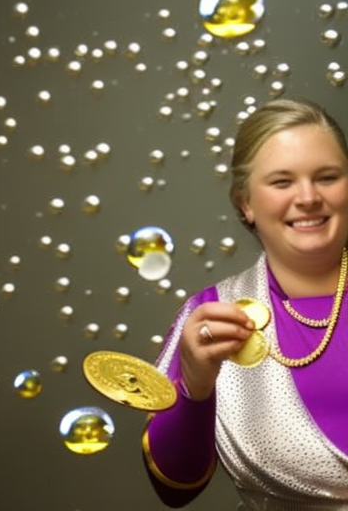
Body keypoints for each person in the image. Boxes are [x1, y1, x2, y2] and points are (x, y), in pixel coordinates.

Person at [142, 98, 348, 510]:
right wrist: (195, 389)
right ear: (246, 203)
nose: (308, 197)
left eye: (326, 177)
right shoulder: (210, 316)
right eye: (282, 182)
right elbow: (174, 489)